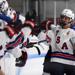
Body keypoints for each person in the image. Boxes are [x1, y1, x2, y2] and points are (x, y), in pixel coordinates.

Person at [43, 8, 75, 75]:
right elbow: (48, 25)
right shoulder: (56, 29)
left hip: (63, 62)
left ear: (71, 20)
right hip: (60, 62)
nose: (63, 20)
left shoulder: (72, 32)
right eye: (62, 17)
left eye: (66, 18)